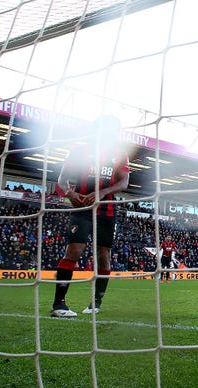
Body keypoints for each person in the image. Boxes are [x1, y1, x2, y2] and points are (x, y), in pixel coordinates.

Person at [50, 116, 130, 317]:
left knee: (104, 255)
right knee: (74, 251)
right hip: (82, 206)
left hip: (106, 209)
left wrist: (103, 193)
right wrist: (70, 194)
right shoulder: (79, 151)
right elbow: (62, 180)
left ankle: (96, 301)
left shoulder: (120, 154)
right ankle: (58, 304)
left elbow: (124, 183)